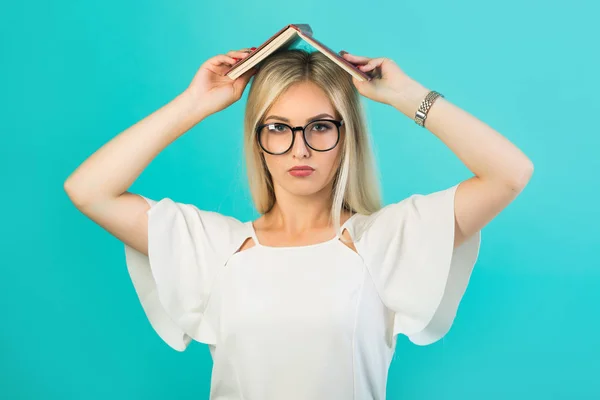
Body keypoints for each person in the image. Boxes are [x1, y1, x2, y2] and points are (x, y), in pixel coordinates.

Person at [64, 46, 533, 399]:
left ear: (345, 135)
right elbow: (88, 190)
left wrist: (406, 95)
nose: (300, 148)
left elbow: (509, 174)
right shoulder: (215, 248)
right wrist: (196, 103)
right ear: (258, 139)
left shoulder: (385, 241)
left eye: (320, 126)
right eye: (278, 128)